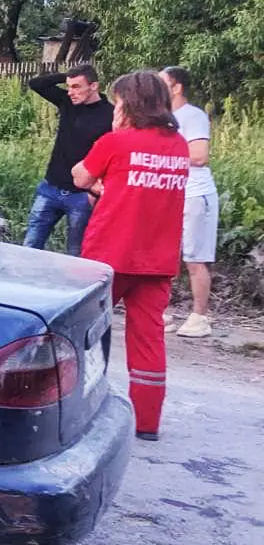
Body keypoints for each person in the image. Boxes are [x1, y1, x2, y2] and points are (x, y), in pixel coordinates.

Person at [71, 70, 190, 442]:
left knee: (86, 334)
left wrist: (102, 183)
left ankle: (77, 411)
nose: (115, 108)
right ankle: (147, 422)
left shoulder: (116, 142)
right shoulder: (179, 145)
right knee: (149, 340)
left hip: (109, 256)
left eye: (118, 102)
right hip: (157, 260)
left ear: (129, 105)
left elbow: (79, 177)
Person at [24, 64, 114, 256]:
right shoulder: (67, 102)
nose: (71, 92)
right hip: (50, 188)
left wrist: (96, 192)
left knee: (76, 254)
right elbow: (36, 84)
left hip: (82, 195)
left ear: (94, 86)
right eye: (69, 86)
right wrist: (67, 75)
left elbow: (116, 156)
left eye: (77, 87)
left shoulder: (110, 115)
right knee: (30, 246)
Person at [160, 66, 216, 338]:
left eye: (162, 83)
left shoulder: (192, 116)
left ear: (177, 87)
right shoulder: (163, 117)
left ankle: (200, 316)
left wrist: (165, 155)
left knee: (195, 256)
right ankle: (162, 311)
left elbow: (200, 155)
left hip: (195, 193)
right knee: (165, 255)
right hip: (171, 193)